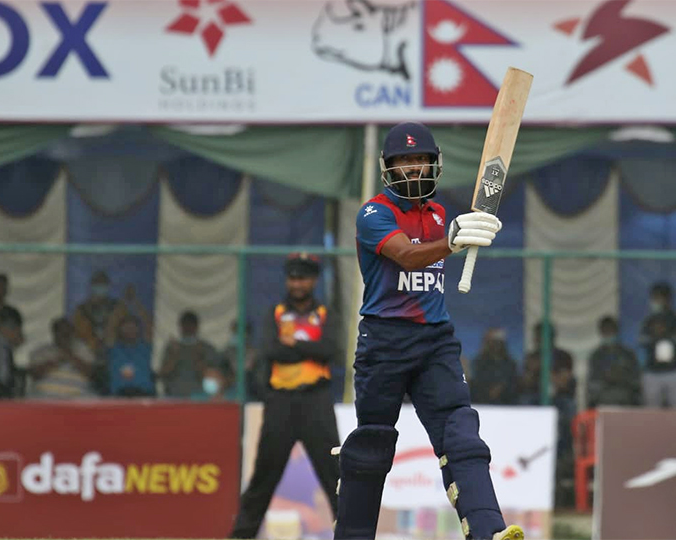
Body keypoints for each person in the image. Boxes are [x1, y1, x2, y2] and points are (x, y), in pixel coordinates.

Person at [334, 122, 521, 540]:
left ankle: (489, 531)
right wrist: (454, 240)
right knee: (371, 447)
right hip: (384, 341)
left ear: (434, 164)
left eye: (421, 160)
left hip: (435, 339)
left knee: (462, 434)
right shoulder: (373, 214)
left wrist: (466, 231)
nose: (414, 169)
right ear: (389, 168)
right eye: (405, 161)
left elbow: (440, 247)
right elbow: (407, 256)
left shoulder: (438, 214)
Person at [231, 253, 342, 538]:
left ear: (313, 280)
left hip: (316, 401)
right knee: (264, 476)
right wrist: (309, 346)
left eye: (303, 277)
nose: (297, 283)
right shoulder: (276, 312)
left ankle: (353, 534)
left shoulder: (325, 314)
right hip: (280, 401)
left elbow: (332, 350)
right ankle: (241, 535)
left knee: (335, 475)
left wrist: (294, 343)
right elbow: (271, 350)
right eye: (293, 277)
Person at [639, 282, 676, 408]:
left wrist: (666, 333)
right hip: (652, 372)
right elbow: (641, 340)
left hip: (674, 372)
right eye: (653, 298)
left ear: (667, 299)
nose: (655, 301)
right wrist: (655, 336)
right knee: (651, 412)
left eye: (658, 298)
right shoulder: (648, 321)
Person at [27, 318, 95, 399]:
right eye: (61, 331)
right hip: (46, 395)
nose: (64, 335)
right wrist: (57, 360)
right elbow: (35, 375)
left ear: (73, 332)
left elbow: (89, 374)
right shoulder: (41, 351)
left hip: (78, 395)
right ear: (54, 333)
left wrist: (69, 356)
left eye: (67, 332)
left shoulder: (83, 349)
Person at [158, 310, 220, 398]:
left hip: (199, 396)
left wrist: (199, 357)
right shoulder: (171, 347)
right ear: (180, 326)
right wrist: (174, 355)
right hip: (174, 395)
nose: (188, 328)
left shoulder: (207, 348)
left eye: (190, 325)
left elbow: (213, 379)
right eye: (185, 325)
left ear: (196, 327)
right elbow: (162, 374)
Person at [587, 316, 642, 408]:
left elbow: (636, 379)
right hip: (603, 396)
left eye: (611, 330)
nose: (608, 333)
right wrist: (606, 377)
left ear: (616, 331)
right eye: (605, 331)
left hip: (625, 395)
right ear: (601, 332)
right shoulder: (596, 356)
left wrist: (621, 376)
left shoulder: (628, 354)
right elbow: (592, 381)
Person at [470, 328, 519, 405]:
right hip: (483, 401)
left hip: (507, 402)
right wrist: (489, 390)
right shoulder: (479, 362)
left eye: (498, 342)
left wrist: (501, 388)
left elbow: (513, 381)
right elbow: (477, 380)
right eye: (492, 342)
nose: (495, 345)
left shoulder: (510, 363)